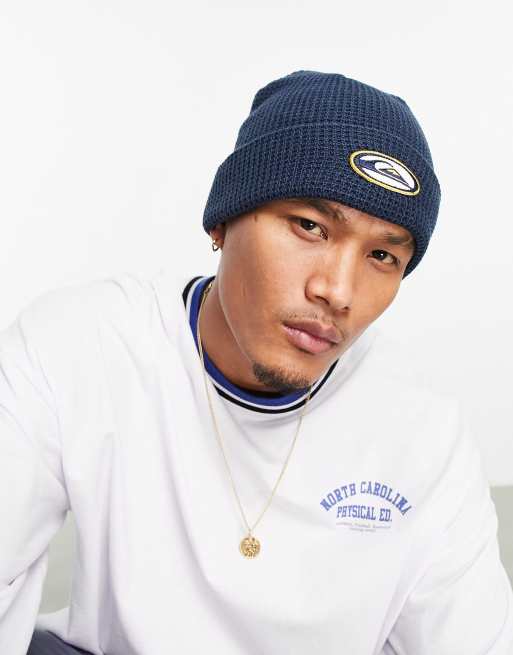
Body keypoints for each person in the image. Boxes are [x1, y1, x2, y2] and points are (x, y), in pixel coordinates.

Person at [1, 70, 512, 655]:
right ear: (222, 220)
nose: (337, 291)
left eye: (381, 256)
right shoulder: (83, 344)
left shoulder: (423, 428)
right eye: (309, 227)